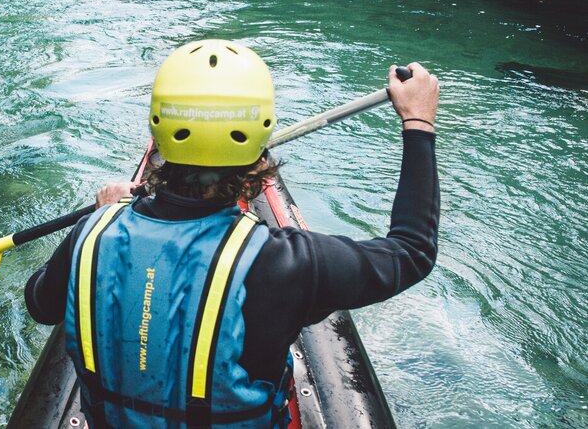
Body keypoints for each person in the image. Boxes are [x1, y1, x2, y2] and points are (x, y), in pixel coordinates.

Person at [25, 39, 439, 428]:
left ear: (159, 130)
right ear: (261, 137)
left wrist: (102, 217)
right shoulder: (288, 263)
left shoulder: (90, 233)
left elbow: (41, 304)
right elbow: (412, 250)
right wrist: (418, 122)